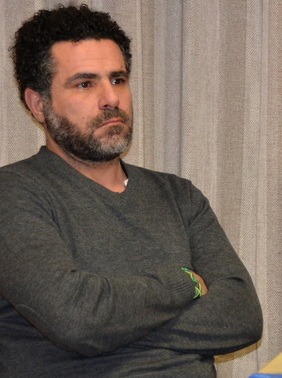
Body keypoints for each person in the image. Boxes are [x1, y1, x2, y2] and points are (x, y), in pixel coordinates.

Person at [0, 4, 262, 376]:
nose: (111, 99)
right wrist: (185, 282)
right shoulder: (14, 194)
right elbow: (79, 320)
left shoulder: (178, 195)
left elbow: (242, 315)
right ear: (38, 104)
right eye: (85, 84)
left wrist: (106, 337)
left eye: (118, 79)